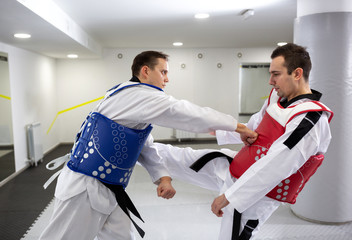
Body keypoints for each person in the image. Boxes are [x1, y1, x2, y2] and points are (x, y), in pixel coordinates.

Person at [39, 50, 256, 240]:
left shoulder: (127, 94)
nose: (167, 79)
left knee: (122, 236)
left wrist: (163, 176)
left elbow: (143, 143)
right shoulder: (139, 95)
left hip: (109, 188)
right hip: (85, 187)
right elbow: (186, 112)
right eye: (163, 72)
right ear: (145, 71)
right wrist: (237, 127)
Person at [154, 43, 334, 239]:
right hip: (237, 166)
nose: (270, 81)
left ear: (297, 74)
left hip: (256, 195)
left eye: (276, 74)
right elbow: (256, 125)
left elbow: (278, 165)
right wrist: (224, 130)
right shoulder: (278, 97)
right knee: (179, 156)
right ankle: (138, 148)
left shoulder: (310, 120)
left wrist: (231, 197)